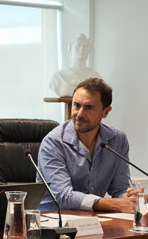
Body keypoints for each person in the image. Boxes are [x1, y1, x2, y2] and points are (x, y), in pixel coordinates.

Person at [38, 78, 137, 212]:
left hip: (94, 221)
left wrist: (130, 200)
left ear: (106, 112)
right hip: (53, 223)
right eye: (76, 105)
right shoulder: (53, 142)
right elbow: (64, 196)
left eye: (89, 108)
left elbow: (120, 189)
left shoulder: (117, 140)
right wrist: (116, 204)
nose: (79, 114)